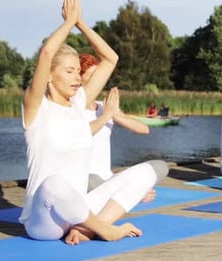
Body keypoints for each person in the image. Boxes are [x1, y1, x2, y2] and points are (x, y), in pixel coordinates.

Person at [20, 0, 168, 245]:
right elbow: (46, 53)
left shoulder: (79, 103)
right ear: (48, 76)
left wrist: (81, 24)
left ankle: (88, 230)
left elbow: (111, 58)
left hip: (80, 210)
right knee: (54, 185)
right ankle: (104, 228)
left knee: (147, 171)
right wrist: (68, 22)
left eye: (78, 71)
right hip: (44, 219)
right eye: (69, 71)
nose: (77, 78)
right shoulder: (36, 108)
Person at [79, 53, 151, 192]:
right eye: (91, 76)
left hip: (106, 177)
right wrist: (107, 115)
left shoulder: (104, 106)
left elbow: (144, 129)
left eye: (98, 75)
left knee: (155, 170)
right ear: (79, 78)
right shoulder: (72, 109)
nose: (97, 80)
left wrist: (114, 115)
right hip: (84, 180)